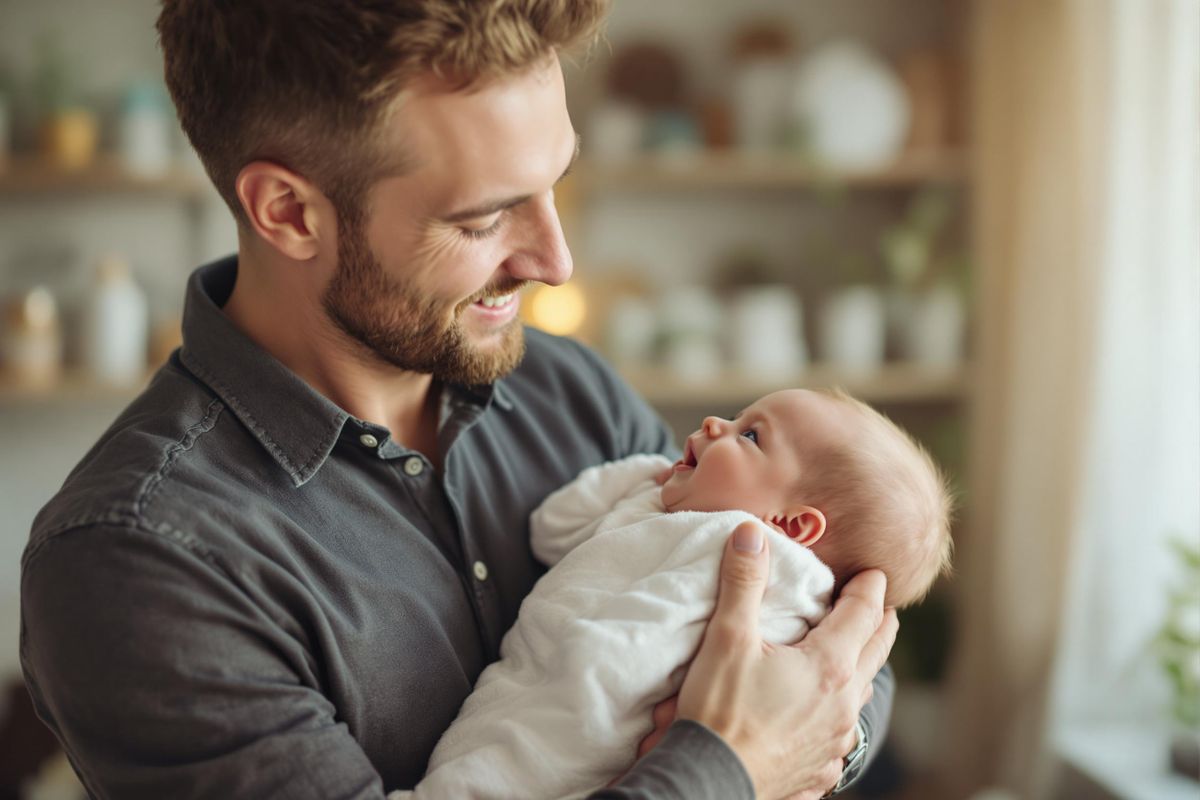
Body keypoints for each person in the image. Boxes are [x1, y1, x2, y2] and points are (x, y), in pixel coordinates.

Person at [19, 2, 898, 798]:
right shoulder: (138, 561)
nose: (555, 262)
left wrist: (830, 739)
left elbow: (832, 608)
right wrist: (727, 769)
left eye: (555, 183)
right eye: (483, 220)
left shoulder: (568, 389)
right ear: (288, 212)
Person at [401, 388, 951, 799]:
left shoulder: (780, 575)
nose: (716, 424)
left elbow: (846, 679)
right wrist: (646, 481)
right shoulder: (670, 501)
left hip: (596, 718)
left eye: (751, 436)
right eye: (737, 419)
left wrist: (821, 749)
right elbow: (552, 527)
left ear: (792, 525)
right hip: (551, 697)